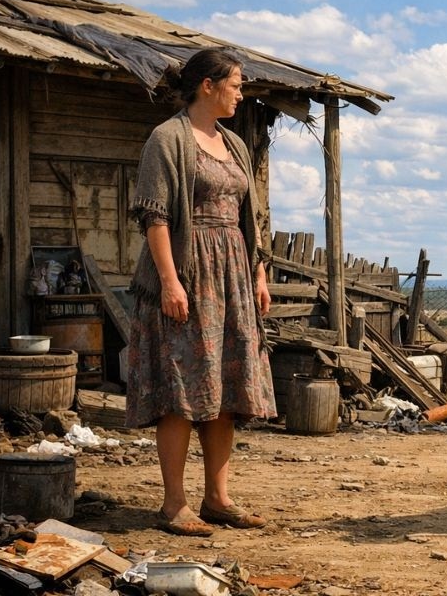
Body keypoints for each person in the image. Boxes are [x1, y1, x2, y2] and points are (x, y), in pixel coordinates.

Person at [126, 47, 275, 536]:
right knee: (181, 391)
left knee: (225, 391)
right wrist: (170, 280)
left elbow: (249, 217)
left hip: (231, 277)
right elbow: (156, 217)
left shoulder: (233, 143)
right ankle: (173, 504)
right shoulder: (166, 139)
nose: (240, 92)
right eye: (234, 83)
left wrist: (256, 273)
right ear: (207, 86)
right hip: (188, 276)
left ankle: (218, 498)